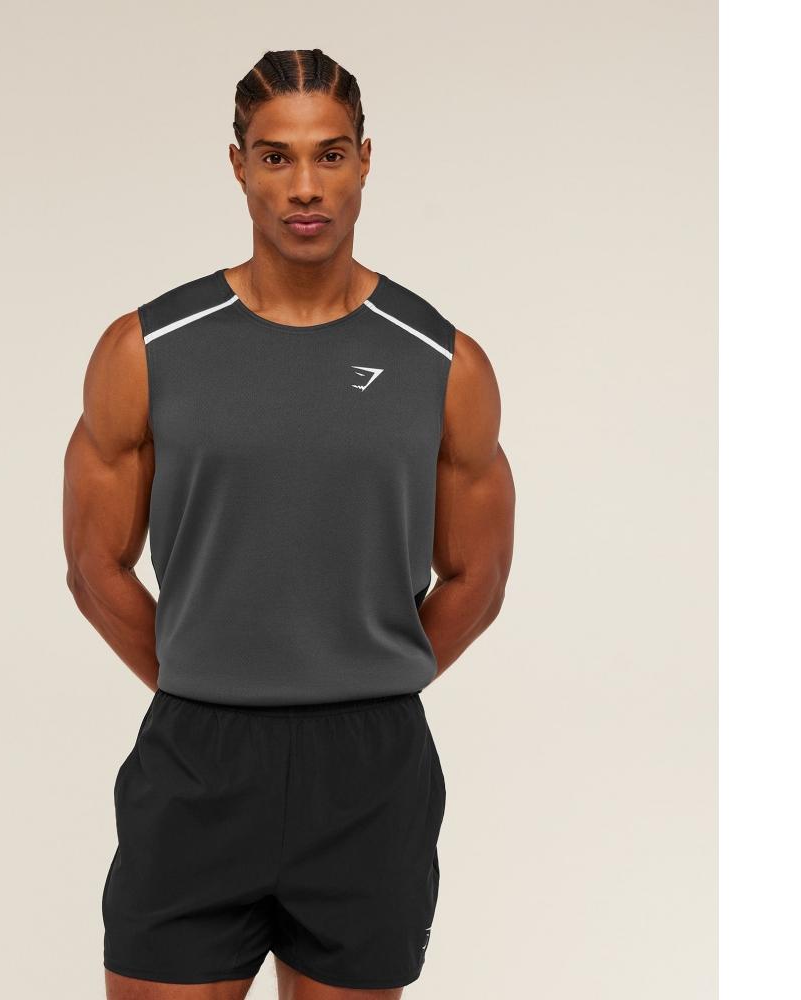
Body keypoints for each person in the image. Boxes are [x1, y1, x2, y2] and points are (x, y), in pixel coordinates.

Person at [63, 48, 515, 1000]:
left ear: (364, 161)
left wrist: (364, 680)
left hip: (370, 769)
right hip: (197, 759)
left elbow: (477, 577)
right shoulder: (146, 349)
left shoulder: (443, 361)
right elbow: (95, 566)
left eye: (330, 154)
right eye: (276, 157)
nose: (305, 186)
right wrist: (201, 681)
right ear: (239, 165)